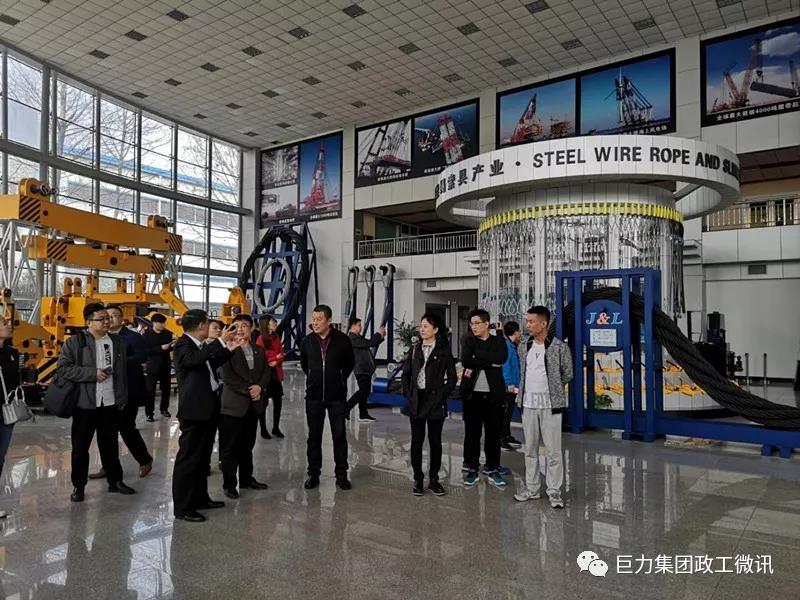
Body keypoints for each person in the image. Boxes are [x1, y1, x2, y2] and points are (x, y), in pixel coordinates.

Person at [59, 303, 135, 502]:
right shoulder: (75, 342)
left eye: (108, 318)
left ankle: (115, 481)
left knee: (110, 445)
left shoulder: (117, 342)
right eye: (101, 319)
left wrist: (122, 397)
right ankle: (79, 486)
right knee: (80, 447)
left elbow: (121, 373)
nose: (107, 322)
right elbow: (64, 368)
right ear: (88, 322)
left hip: (109, 402)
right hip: (85, 404)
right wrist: (91, 374)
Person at [172, 309, 241, 523]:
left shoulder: (199, 346)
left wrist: (228, 350)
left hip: (207, 409)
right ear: (201, 325)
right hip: (194, 411)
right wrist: (219, 342)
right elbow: (192, 361)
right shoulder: (183, 345)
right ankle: (183, 507)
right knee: (188, 459)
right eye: (209, 323)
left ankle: (200, 498)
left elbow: (208, 364)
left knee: (202, 459)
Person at [513, 305, 573, 509]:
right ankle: (532, 489)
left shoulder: (559, 347)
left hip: (550, 406)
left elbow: (568, 373)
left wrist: (553, 389)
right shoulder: (524, 346)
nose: (527, 325)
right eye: (527, 321)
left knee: (553, 451)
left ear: (544, 323)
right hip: (528, 405)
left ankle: (554, 490)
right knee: (530, 449)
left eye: (531, 321)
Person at [89, 305, 153, 481]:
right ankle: (108, 466)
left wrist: (117, 363)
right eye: (106, 316)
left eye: (114, 316)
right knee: (105, 431)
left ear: (122, 318)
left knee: (126, 427)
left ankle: (144, 459)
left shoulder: (133, 337)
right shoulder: (99, 338)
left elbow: (141, 357)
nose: (109, 320)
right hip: (105, 390)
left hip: (128, 390)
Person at [300, 304, 354, 491]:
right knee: (313, 437)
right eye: (313, 319)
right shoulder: (307, 341)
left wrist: (338, 380)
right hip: (314, 397)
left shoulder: (342, 340)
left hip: (336, 397)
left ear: (329, 320)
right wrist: (314, 380)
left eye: (319, 319)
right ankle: (313, 473)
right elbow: (305, 365)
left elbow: (349, 364)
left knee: (339, 436)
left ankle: (341, 475)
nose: (315, 323)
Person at [401, 313, 456, 497]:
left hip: (435, 401)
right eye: (421, 326)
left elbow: (452, 378)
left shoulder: (443, 351)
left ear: (435, 329)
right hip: (416, 400)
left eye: (425, 326)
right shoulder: (415, 349)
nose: (422, 329)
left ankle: (434, 479)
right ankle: (418, 478)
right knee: (416, 441)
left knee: (435, 441)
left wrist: (441, 394)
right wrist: (408, 393)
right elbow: (406, 374)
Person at [219, 314, 271, 499]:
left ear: (252, 329)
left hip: (253, 406)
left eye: (244, 326)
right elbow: (227, 376)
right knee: (230, 447)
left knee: (247, 445)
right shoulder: (228, 349)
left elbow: (266, 372)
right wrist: (249, 390)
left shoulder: (259, 350)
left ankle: (246, 479)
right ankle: (229, 484)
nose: (240, 329)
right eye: (236, 326)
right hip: (234, 406)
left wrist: (260, 387)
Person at [459, 308, 508, 488]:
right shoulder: (468, 340)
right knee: (472, 433)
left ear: (487, 324)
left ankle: (492, 467)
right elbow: (466, 361)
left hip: (494, 395)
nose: (473, 327)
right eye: (471, 324)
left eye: (477, 323)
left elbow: (501, 358)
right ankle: (472, 468)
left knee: (494, 433)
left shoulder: (497, 340)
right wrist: (491, 363)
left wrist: (478, 354)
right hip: (472, 394)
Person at [346, 317, 385, 422]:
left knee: (365, 392)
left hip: (365, 369)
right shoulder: (352, 338)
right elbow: (370, 343)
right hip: (361, 369)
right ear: (353, 326)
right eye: (359, 325)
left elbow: (371, 343)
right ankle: (346, 408)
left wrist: (381, 337)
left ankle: (363, 414)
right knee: (363, 391)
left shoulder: (358, 338)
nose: (361, 327)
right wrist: (378, 334)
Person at [0, 317, 20, 519]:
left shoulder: (13, 353)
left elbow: (15, 382)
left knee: (0, 456)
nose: (9, 326)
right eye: (4, 324)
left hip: (6, 412)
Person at [256, 315, 285, 438]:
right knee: (263, 403)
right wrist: (274, 359)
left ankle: (275, 428)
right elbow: (261, 358)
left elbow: (281, 354)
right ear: (267, 324)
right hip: (266, 374)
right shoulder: (261, 339)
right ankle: (263, 429)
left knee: (278, 401)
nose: (275, 323)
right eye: (273, 321)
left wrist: (276, 360)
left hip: (275, 373)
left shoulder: (276, 337)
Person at [143, 313, 174, 421]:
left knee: (166, 390)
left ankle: (164, 409)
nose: (163, 325)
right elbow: (146, 351)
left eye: (164, 323)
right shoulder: (146, 335)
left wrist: (171, 347)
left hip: (165, 366)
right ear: (154, 323)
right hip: (152, 367)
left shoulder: (167, 334)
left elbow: (168, 349)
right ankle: (149, 413)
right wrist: (160, 348)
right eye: (161, 323)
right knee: (150, 391)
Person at [501, 321, 523, 452]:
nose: (520, 334)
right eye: (519, 331)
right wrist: (509, 384)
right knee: (505, 413)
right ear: (515, 332)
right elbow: (506, 367)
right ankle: (502, 439)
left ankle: (507, 435)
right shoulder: (507, 347)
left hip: (513, 385)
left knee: (508, 412)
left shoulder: (512, 346)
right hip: (508, 387)